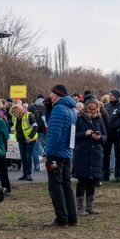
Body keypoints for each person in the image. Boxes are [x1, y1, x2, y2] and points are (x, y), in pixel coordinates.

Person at [42, 84, 78, 227]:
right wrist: (49, 108)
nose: (49, 96)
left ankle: (61, 218)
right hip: (66, 152)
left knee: (55, 186)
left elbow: (54, 133)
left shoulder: (59, 109)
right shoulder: (71, 109)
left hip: (56, 153)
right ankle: (72, 217)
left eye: (51, 93)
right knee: (66, 186)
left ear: (57, 94)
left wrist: (48, 154)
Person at [74, 100, 107, 216]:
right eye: (90, 110)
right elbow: (73, 135)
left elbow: (105, 135)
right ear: (86, 109)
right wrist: (85, 133)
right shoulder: (79, 118)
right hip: (82, 152)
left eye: (95, 110)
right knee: (82, 180)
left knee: (92, 180)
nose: (93, 112)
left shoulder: (100, 118)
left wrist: (100, 138)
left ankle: (90, 207)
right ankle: (79, 208)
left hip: (95, 152)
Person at [11, 104, 38, 182]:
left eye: (15, 112)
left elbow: (35, 126)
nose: (14, 114)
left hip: (30, 140)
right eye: (13, 113)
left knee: (28, 157)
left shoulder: (28, 115)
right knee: (23, 157)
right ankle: (24, 174)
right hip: (21, 140)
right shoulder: (15, 117)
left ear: (19, 111)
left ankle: (28, 174)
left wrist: (30, 137)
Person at [104, 89, 120, 182]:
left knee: (117, 154)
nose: (110, 96)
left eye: (111, 95)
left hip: (117, 133)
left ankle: (118, 175)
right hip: (108, 133)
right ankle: (105, 174)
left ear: (116, 96)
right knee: (106, 154)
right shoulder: (106, 106)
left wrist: (119, 129)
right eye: (109, 95)